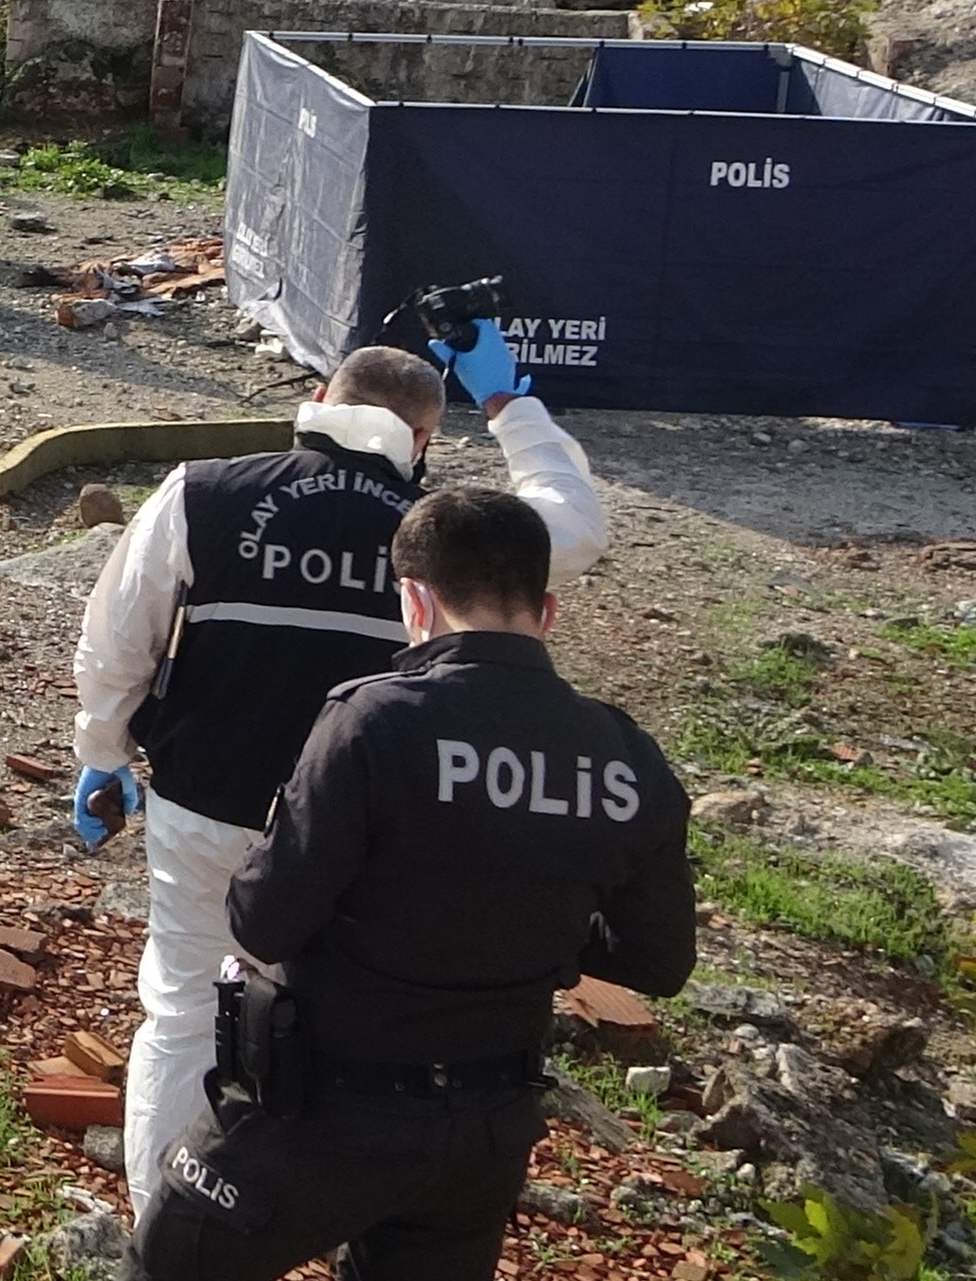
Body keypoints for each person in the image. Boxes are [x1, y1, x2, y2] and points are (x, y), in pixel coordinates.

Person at [71, 335, 607, 1221]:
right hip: (367, 841)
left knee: (183, 1014)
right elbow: (573, 527)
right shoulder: (452, 535)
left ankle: (168, 1233)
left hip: (207, 803)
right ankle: (310, 1221)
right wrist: (513, 406)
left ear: (321, 396)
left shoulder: (202, 494)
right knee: (340, 1033)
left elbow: (118, 637)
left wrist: (101, 755)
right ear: (425, 438)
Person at [129, 483, 693, 1281]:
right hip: (486, 1134)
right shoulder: (626, 757)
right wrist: (536, 922)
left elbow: (264, 918)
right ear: (549, 611)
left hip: (325, 1113)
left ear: (415, 602)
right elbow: (659, 961)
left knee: (170, 1260)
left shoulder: (376, 721)